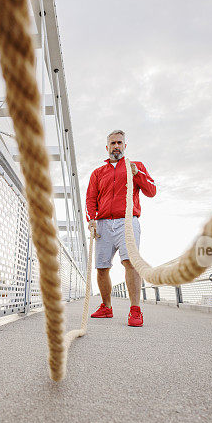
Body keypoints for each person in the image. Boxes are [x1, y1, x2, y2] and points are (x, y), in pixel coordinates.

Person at [86, 130, 156, 326]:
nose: (116, 146)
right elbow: (91, 199)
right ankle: (106, 307)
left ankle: (135, 310)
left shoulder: (136, 167)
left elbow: (151, 191)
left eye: (119, 143)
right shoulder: (98, 173)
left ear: (125, 146)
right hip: (103, 224)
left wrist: (137, 174)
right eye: (113, 143)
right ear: (107, 147)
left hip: (127, 221)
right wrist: (91, 219)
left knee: (130, 263)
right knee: (101, 267)